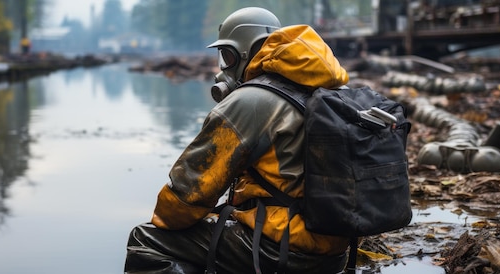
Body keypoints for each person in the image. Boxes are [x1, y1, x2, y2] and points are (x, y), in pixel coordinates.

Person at [124, 7, 351, 274]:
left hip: (284, 249)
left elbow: (187, 194)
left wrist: (168, 219)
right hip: (336, 251)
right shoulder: (331, 90)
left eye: (227, 56)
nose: (224, 68)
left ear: (247, 51)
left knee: (146, 240)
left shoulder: (249, 101)